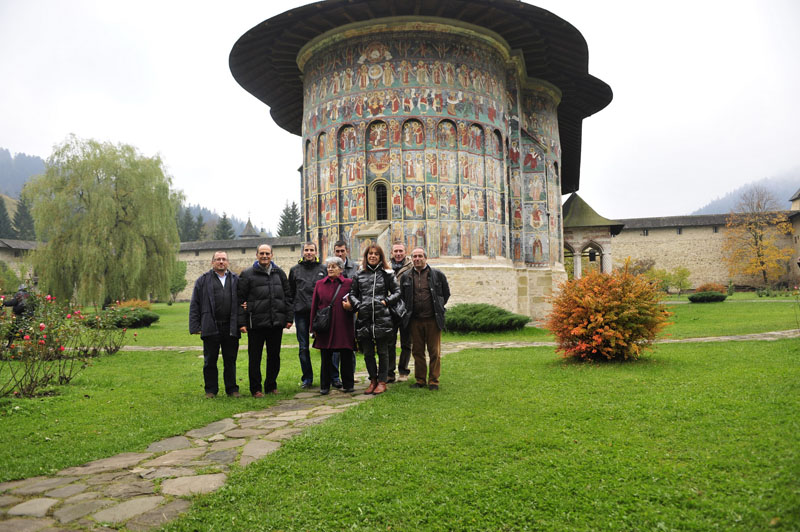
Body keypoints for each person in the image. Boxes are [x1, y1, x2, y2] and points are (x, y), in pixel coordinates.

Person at [238, 244, 293, 397]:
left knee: (274, 356)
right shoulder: (247, 274)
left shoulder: (280, 273)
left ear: (272, 255)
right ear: (256, 255)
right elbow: (240, 299)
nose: (264, 256)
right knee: (254, 357)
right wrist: (242, 323)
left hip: (275, 323)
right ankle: (255, 389)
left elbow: (288, 297)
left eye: (267, 253)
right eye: (261, 253)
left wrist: (289, 317)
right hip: (255, 323)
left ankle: (271, 385)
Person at [348, 243, 400, 395]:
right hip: (364, 318)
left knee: (383, 351)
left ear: (380, 257)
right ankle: (373, 380)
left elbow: (397, 292)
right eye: (370, 254)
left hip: (382, 317)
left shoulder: (387, 273)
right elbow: (352, 294)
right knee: (368, 352)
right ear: (366, 256)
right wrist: (359, 305)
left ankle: (382, 381)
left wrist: (385, 302)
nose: (372, 256)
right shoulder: (359, 274)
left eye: (376, 254)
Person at [189, 251, 241, 398]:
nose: (221, 262)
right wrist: (195, 326)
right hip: (210, 324)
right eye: (218, 259)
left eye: (224, 259)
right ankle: (211, 390)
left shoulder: (236, 279)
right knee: (210, 360)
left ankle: (232, 389)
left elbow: (242, 302)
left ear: (228, 262)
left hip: (230, 326)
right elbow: (195, 304)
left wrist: (242, 323)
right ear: (212, 262)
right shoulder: (203, 281)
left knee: (230, 360)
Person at [400, 247, 450, 391]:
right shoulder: (406, 276)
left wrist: (438, 307)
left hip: (432, 319)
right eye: (414, 256)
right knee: (417, 351)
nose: (417, 259)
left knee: (434, 351)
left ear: (425, 258)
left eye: (420, 256)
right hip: (415, 320)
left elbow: (445, 294)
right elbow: (403, 297)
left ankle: (434, 380)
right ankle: (420, 379)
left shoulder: (437, 275)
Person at [309, 256, 356, 395]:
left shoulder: (349, 283)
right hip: (326, 325)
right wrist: (312, 328)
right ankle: (325, 385)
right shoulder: (320, 284)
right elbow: (314, 307)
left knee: (346, 355)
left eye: (334, 266)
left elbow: (354, 302)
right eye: (328, 266)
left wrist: (350, 307)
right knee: (326, 356)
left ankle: (348, 384)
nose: (330, 269)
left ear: (341, 269)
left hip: (344, 324)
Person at [288, 242, 326, 389]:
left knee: (326, 347)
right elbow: (290, 293)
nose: (309, 252)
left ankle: (331, 376)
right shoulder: (295, 270)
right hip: (301, 313)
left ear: (316, 252)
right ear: (302, 252)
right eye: (306, 250)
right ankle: (307, 378)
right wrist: (290, 315)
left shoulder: (323, 269)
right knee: (303, 347)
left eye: (312, 250)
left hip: (320, 314)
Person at [331, 239, 358, 382]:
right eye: (337, 251)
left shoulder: (355, 267)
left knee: (349, 343)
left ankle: (350, 375)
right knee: (335, 345)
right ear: (334, 252)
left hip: (350, 311)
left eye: (342, 251)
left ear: (347, 251)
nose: (340, 254)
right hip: (335, 312)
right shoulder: (329, 267)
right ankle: (335, 377)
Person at [388, 242, 413, 382]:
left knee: (406, 343)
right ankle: (390, 372)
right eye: (396, 251)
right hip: (390, 310)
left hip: (405, 310)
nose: (398, 254)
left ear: (405, 252)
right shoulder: (386, 267)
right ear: (391, 252)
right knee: (389, 343)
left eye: (400, 251)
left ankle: (403, 371)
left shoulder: (411, 266)